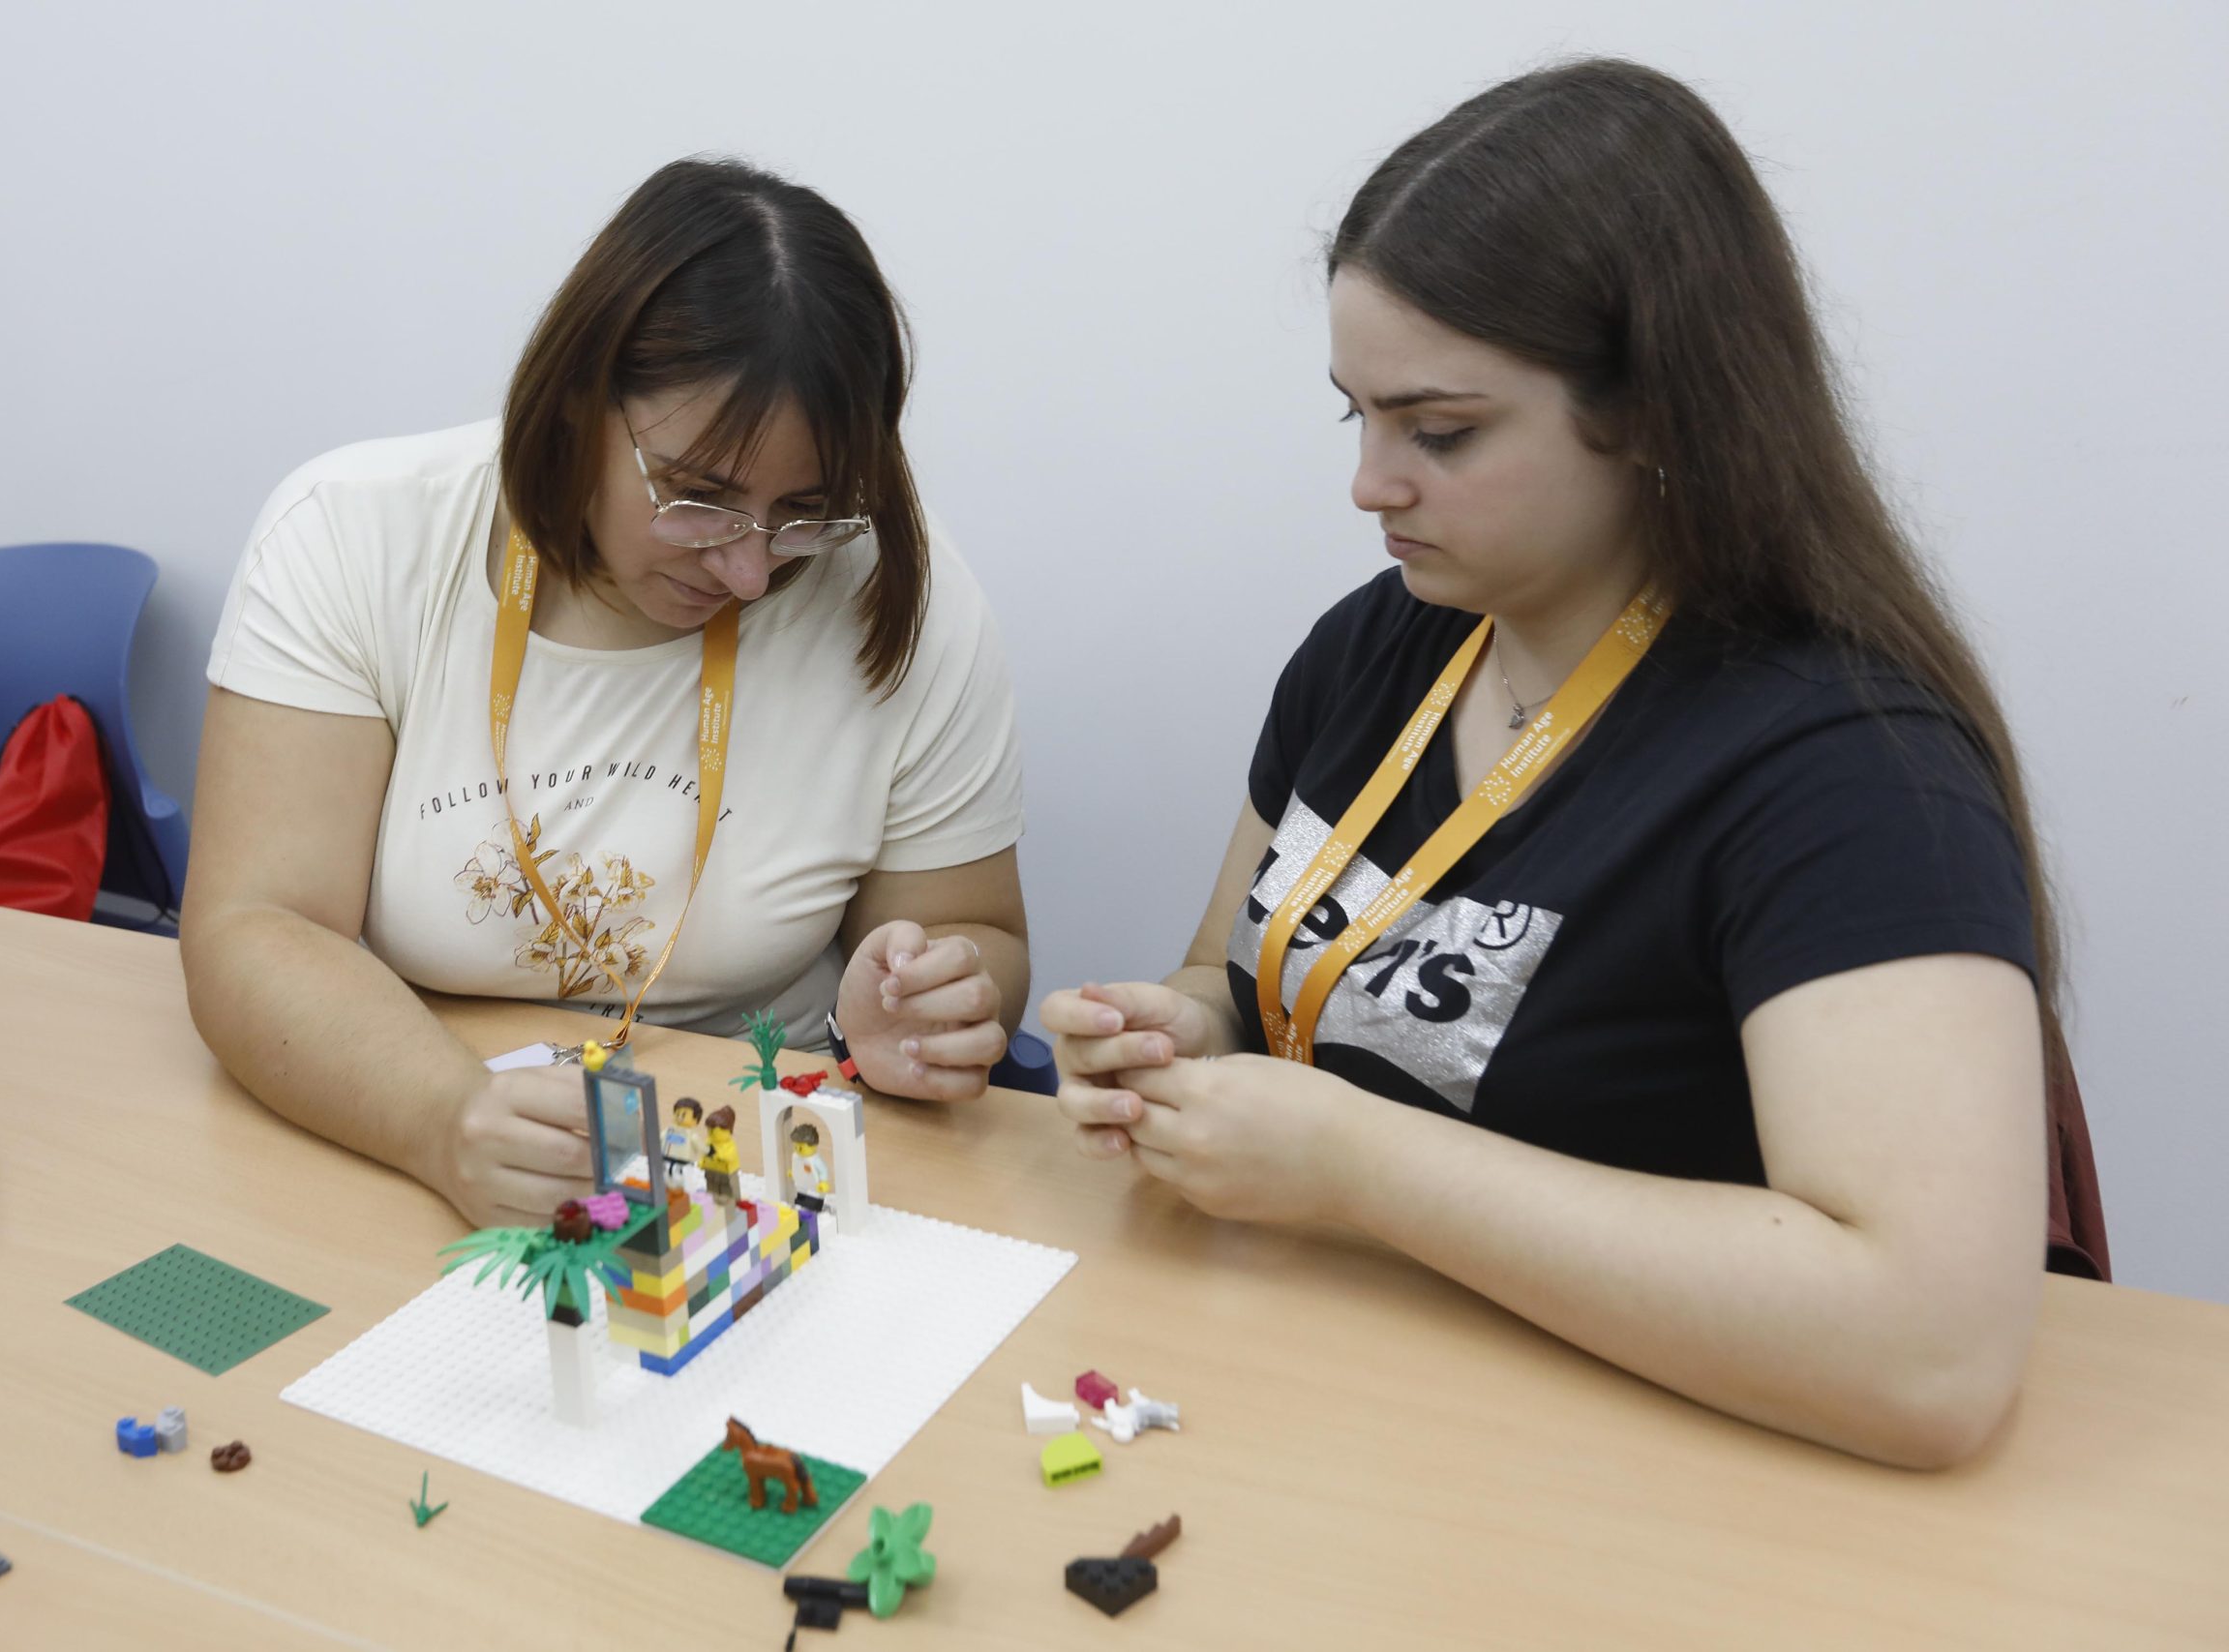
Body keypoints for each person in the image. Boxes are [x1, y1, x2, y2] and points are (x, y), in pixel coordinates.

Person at [1044, 59, 2059, 1469]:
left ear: (1649, 410)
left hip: (1640, 1479)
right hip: (1328, 1403)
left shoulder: (1847, 771)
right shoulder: (1378, 646)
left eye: (1440, 432)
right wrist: (1176, 1036)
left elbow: (1933, 1354)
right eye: (1356, 415)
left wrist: (1357, 1164)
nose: (1370, 484)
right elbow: (1235, 973)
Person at [183, 160, 1030, 1232]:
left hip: (753, 1159)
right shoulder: (355, 534)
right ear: (579, 403)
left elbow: (976, 933)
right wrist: (444, 1118)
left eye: (805, 513)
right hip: (407, 1114)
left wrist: (923, 1007)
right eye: (700, 497)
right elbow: (257, 926)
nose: (750, 572)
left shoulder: (901, 593)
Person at [788, 1122, 832, 1215]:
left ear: (813, 1145)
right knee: (801, 1195)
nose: (797, 1149)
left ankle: (814, 1209)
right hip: (802, 1183)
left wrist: (823, 1181)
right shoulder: (796, 1156)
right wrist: (793, 1172)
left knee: (814, 1199)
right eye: (796, 1146)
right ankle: (801, 1205)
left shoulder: (815, 1160)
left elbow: (823, 1170)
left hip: (815, 1186)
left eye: (801, 1147)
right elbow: (797, 1166)